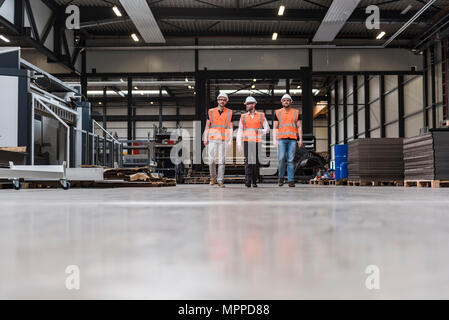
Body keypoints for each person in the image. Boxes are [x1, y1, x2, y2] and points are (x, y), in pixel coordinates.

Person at [237, 96, 270, 188]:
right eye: (246, 104)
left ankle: (254, 180)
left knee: (255, 162)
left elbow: (267, 129)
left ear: (254, 104)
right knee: (248, 161)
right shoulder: (243, 117)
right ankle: (247, 180)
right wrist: (239, 143)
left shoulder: (261, 115)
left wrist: (260, 131)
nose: (247, 105)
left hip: (257, 141)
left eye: (249, 104)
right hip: (247, 141)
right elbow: (240, 130)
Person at [203, 92, 233, 188]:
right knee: (211, 159)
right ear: (218, 101)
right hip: (212, 139)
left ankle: (220, 180)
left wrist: (230, 140)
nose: (222, 101)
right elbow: (207, 126)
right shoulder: (211, 111)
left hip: (223, 139)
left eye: (224, 100)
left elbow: (230, 127)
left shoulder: (229, 112)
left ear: (226, 101)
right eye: (220, 99)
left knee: (221, 161)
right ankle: (213, 178)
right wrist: (205, 137)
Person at [274, 94, 303, 188]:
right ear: (282, 102)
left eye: (288, 100)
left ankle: (291, 180)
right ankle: (281, 177)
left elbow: (299, 127)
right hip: (281, 139)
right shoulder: (277, 112)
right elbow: (275, 127)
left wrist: (300, 139)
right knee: (281, 159)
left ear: (291, 102)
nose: (286, 102)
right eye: (284, 100)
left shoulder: (296, 112)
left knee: (290, 160)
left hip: (292, 139)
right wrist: (274, 139)